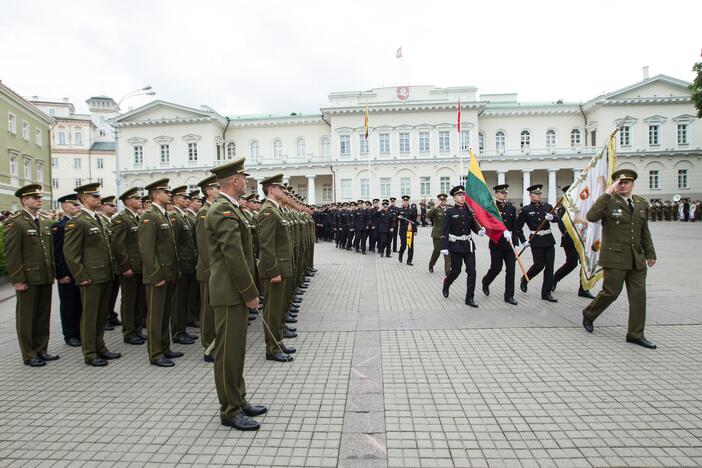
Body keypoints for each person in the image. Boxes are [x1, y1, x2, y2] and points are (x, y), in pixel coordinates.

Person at [204, 158, 266, 431]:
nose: (246, 181)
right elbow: (234, 256)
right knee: (228, 353)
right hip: (230, 291)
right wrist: (249, 292)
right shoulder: (222, 210)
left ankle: (238, 399)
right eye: (243, 177)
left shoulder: (231, 208)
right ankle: (229, 409)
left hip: (234, 290)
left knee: (236, 350)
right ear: (234, 181)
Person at [582, 169, 657, 348]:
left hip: (636, 258)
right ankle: (589, 313)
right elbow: (591, 216)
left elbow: (643, 230)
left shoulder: (640, 203)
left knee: (638, 297)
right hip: (615, 257)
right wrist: (607, 193)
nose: (623, 185)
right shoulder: (609, 202)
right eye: (619, 182)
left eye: (626, 182)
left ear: (632, 184)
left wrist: (650, 252)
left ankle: (635, 334)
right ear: (614, 184)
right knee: (611, 293)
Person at [63, 183, 121, 366]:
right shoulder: (77, 221)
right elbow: (71, 253)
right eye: (94, 196)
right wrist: (81, 276)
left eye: (98, 196)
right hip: (90, 277)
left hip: (105, 274)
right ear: (83, 198)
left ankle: (100, 346)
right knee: (90, 316)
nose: (98, 199)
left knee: (102, 314)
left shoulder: (100, 220)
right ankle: (89, 353)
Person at [3, 184, 57, 367]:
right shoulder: (16, 222)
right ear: (24, 200)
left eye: (39, 197)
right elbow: (12, 254)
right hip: (28, 277)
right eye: (35, 197)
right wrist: (18, 280)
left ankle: (42, 349)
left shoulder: (41, 221)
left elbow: (47, 251)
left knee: (43, 315)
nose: (39, 200)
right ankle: (29, 353)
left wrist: (52, 273)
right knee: (27, 317)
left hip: (44, 276)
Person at [138, 179, 181, 367]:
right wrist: (156, 274)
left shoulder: (163, 214)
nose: (169, 194)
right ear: (155, 194)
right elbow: (146, 249)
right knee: (155, 316)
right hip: (158, 275)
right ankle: (155, 353)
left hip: (168, 273)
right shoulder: (149, 215)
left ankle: (165, 347)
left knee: (165, 314)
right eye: (165, 191)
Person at [257, 173, 296, 363]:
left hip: (281, 268)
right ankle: (271, 348)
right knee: (272, 311)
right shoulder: (267, 211)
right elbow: (266, 244)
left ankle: (277, 342)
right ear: (271, 189)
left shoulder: (276, 209)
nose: (283, 190)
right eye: (280, 188)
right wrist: (273, 271)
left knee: (278, 309)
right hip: (274, 270)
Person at [111, 188, 147, 345]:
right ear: (127, 202)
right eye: (136, 198)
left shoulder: (137, 218)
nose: (140, 200)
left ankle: (137, 330)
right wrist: (125, 267)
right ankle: (129, 332)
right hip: (129, 268)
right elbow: (118, 246)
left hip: (140, 267)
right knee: (129, 301)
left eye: (140, 198)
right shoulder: (121, 219)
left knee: (139, 301)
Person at [440, 185, 485, 308]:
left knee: (472, 271)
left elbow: (472, 226)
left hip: (468, 245)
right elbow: (444, 230)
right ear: (454, 198)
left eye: (463, 195)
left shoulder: (469, 211)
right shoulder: (449, 212)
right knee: (456, 270)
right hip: (455, 245)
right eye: (459, 195)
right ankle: (447, 283)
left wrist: (479, 231)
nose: (462, 197)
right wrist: (443, 246)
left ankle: (469, 298)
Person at [516, 184, 559, 303]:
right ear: (530, 195)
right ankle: (525, 278)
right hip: (536, 241)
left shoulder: (548, 206)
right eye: (536, 194)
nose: (539, 196)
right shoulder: (525, 210)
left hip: (549, 240)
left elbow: (557, 218)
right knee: (539, 265)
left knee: (549, 267)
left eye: (540, 193)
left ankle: (546, 293)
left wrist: (552, 218)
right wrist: (523, 240)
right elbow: (518, 228)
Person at [552, 185, 595, 299]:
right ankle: (555, 278)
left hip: (583, 239)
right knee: (572, 263)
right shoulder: (563, 208)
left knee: (584, 264)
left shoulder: (582, 206)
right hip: (569, 240)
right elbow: (562, 224)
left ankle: (584, 289)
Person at [481, 184, 521, 305]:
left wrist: (516, 242)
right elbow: (488, 224)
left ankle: (509, 295)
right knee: (496, 268)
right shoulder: (491, 207)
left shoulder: (511, 208)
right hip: (496, 242)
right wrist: (501, 231)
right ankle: (486, 281)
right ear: (496, 194)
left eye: (505, 193)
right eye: (502, 193)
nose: (504, 195)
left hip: (509, 243)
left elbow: (515, 226)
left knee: (511, 270)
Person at [195, 175, 220, 362]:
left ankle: (214, 342)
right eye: (216, 187)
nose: (220, 189)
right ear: (208, 191)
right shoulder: (204, 212)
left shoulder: (213, 209)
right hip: (208, 268)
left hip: (214, 268)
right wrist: (211, 268)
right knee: (207, 309)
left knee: (213, 307)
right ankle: (208, 345)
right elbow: (204, 246)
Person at [53, 194, 83, 347]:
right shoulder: (60, 226)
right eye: (74, 205)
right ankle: (69, 334)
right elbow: (57, 253)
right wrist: (61, 274)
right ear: (64, 206)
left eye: (78, 205)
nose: (77, 207)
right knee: (68, 304)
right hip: (67, 273)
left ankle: (78, 332)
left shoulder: (77, 224)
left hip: (78, 272)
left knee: (79, 304)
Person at [169, 186, 198, 345]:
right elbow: (173, 244)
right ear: (175, 200)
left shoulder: (184, 216)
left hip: (189, 264)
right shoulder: (174, 217)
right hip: (181, 266)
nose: (187, 200)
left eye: (188, 198)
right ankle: (177, 332)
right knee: (178, 301)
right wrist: (177, 266)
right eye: (184, 198)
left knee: (185, 299)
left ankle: (183, 329)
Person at [99, 196, 122, 331]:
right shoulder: (101, 221)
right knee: (105, 296)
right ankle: (106, 317)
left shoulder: (112, 221)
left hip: (113, 264)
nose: (114, 208)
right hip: (104, 266)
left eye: (114, 206)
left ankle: (110, 315)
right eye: (110, 206)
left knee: (113, 293)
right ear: (103, 207)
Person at [427, 193, 450, 275]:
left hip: (447, 233)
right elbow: (427, 215)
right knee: (437, 251)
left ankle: (447, 270)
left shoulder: (449, 208)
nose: (442, 201)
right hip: (437, 234)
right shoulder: (436, 209)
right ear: (438, 200)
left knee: (447, 252)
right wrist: (435, 207)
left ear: (446, 200)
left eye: (444, 200)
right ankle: (431, 264)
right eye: (441, 200)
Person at [397, 195, 417, 265]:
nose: (406, 202)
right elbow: (395, 219)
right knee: (403, 245)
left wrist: (415, 231)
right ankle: (400, 254)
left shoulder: (412, 210)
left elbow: (414, 221)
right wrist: (398, 217)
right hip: (402, 230)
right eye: (404, 201)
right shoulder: (399, 210)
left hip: (410, 230)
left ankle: (409, 260)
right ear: (402, 201)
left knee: (410, 245)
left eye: (407, 201)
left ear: (408, 201)